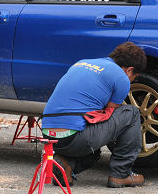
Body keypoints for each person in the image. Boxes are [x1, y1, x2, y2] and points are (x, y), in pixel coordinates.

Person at [41, 42, 147, 188]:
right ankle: (121, 175)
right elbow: (109, 112)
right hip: (74, 138)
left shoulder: (81, 63)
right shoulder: (121, 78)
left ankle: (66, 166)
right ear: (130, 70)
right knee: (131, 113)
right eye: (134, 77)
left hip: (48, 136)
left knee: (94, 153)